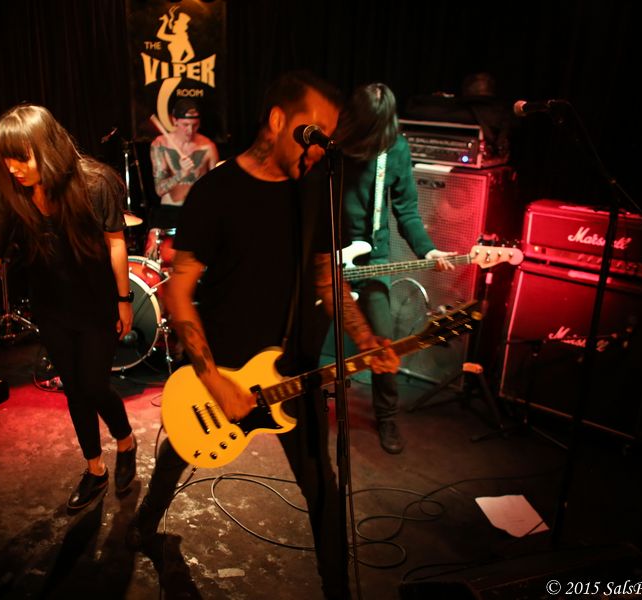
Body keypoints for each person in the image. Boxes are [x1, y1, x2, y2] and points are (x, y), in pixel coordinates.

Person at [125, 71, 399, 600]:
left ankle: (337, 591)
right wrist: (214, 381)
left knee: (323, 487)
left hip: (294, 366)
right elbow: (178, 291)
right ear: (277, 120)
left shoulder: (317, 188)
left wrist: (365, 338)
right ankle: (145, 523)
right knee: (184, 443)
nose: (320, 147)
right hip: (223, 362)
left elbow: (325, 276)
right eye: (313, 132)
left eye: (328, 137)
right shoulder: (217, 191)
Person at [0, 104, 138, 511]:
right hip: (51, 309)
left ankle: (126, 442)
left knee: (94, 386)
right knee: (74, 390)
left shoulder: (95, 183)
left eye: (21, 157)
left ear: (48, 149)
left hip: (96, 305)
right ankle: (94, 469)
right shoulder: (8, 196)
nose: (12, 167)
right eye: (6, 157)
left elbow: (116, 242)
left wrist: (124, 300)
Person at [335, 83, 456, 455]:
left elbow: (406, 211)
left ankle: (386, 416)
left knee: (384, 343)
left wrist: (428, 249)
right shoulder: (332, 146)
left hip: (373, 258)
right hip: (324, 257)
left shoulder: (395, 149)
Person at [145, 98, 219, 266]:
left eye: (195, 125)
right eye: (185, 125)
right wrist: (181, 173)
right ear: (174, 120)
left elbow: (215, 189)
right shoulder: (160, 145)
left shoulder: (208, 147)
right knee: (159, 265)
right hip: (168, 212)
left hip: (197, 212)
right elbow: (159, 190)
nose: (190, 130)